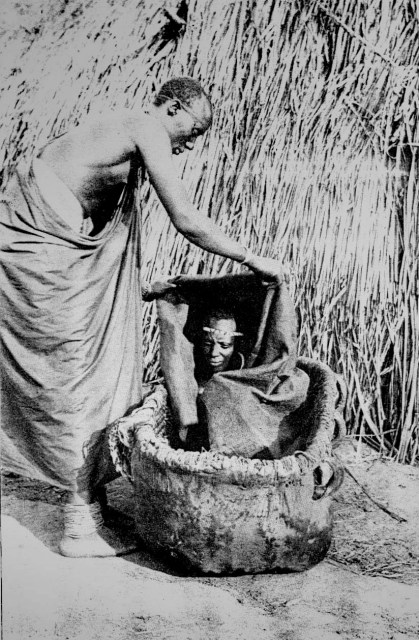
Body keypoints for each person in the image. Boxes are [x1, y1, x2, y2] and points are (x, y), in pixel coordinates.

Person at [0, 77, 284, 558]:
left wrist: (146, 286)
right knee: (73, 375)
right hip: (37, 254)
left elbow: (93, 229)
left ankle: (90, 499)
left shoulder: (117, 131)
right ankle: (76, 522)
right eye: (193, 130)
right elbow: (186, 219)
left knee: (85, 372)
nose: (191, 144)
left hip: (47, 250)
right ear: (171, 107)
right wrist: (252, 258)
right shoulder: (142, 126)